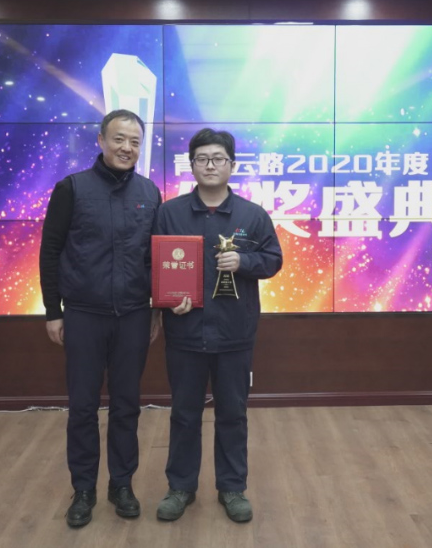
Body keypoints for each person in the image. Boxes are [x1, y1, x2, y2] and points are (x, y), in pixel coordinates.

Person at [39, 109, 162, 528]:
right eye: (119, 139)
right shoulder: (72, 188)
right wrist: (53, 311)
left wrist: (157, 309)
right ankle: (84, 489)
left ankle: (121, 484)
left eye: (135, 141)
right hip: (83, 315)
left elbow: (155, 258)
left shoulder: (149, 192)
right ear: (101, 141)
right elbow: (50, 251)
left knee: (127, 405)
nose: (127, 147)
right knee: (83, 407)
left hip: (133, 315)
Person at [154, 128, 282, 524]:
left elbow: (273, 260)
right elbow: (153, 266)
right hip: (185, 333)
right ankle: (180, 487)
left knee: (233, 414)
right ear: (191, 165)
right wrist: (167, 300)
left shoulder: (252, 215)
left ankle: (232, 487)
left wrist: (244, 262)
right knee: (184, 414)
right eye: (202, 158)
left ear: (232, 165)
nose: (210, 165)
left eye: (218, 158)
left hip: (234, 333)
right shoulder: (170, 213)